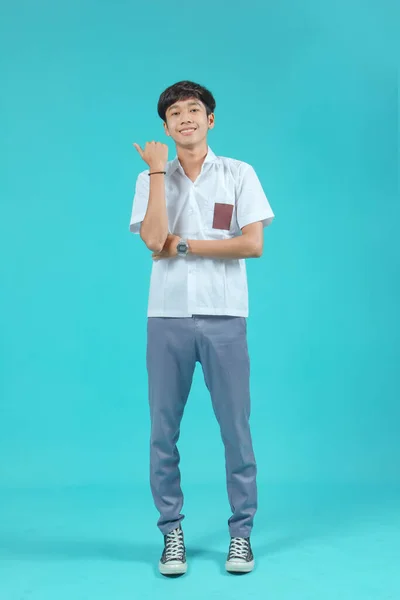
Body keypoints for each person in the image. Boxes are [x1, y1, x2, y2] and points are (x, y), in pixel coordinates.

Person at [129, 80, 275, 576]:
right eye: (174, 113)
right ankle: (171, 534)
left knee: (236, 428)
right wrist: (153, 172)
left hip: (225, 315)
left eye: (194, 110)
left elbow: (252, 244)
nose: (185, 118)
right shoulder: (152, 177)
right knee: (162, 430)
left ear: (210, 120)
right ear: (166, 128)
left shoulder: (239, 173)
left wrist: (185, 245)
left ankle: (242, 536)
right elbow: (151, 239)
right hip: (165, 317)